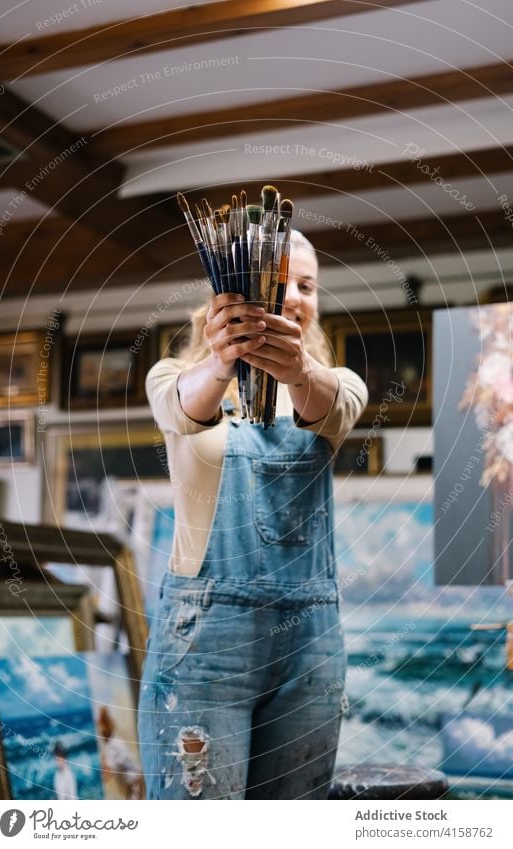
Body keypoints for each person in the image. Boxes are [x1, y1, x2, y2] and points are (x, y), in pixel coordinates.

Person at [138, 230, 368, 799]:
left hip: (310, 640)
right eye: (279, 278)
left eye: (307, 285)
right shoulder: (175, 379)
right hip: (207, 639)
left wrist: (294, 370)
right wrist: (222, 362)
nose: (293, 295)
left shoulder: (336, 386)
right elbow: (184, 408)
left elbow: (330, 406)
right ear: (233, 286)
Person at [97, 706, 144, 799]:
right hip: (135, 781)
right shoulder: (115, 742)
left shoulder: (112, 746)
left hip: (134, 783)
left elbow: (109, 770)